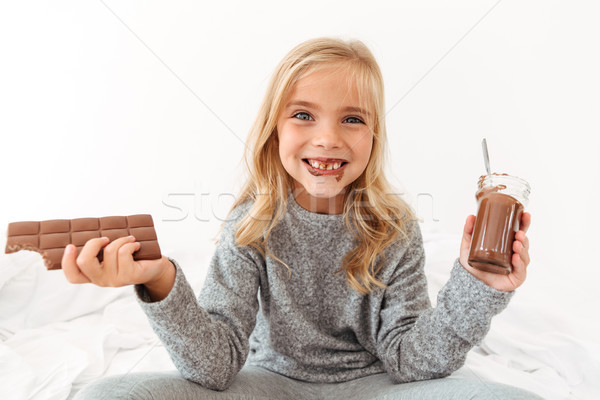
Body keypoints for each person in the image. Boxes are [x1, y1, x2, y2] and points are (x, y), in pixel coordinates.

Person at [65, 37, 541, 399]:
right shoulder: (250, 225)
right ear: (275, 131)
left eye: (352, 119)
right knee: (107, 394)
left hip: (371, 386)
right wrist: (160, 279)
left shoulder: (394, 230)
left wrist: (477, 286)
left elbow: (412, 361)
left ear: (374, 136)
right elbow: (215, 366)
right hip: (269, 384)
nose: (328, 138)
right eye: (303, 115)